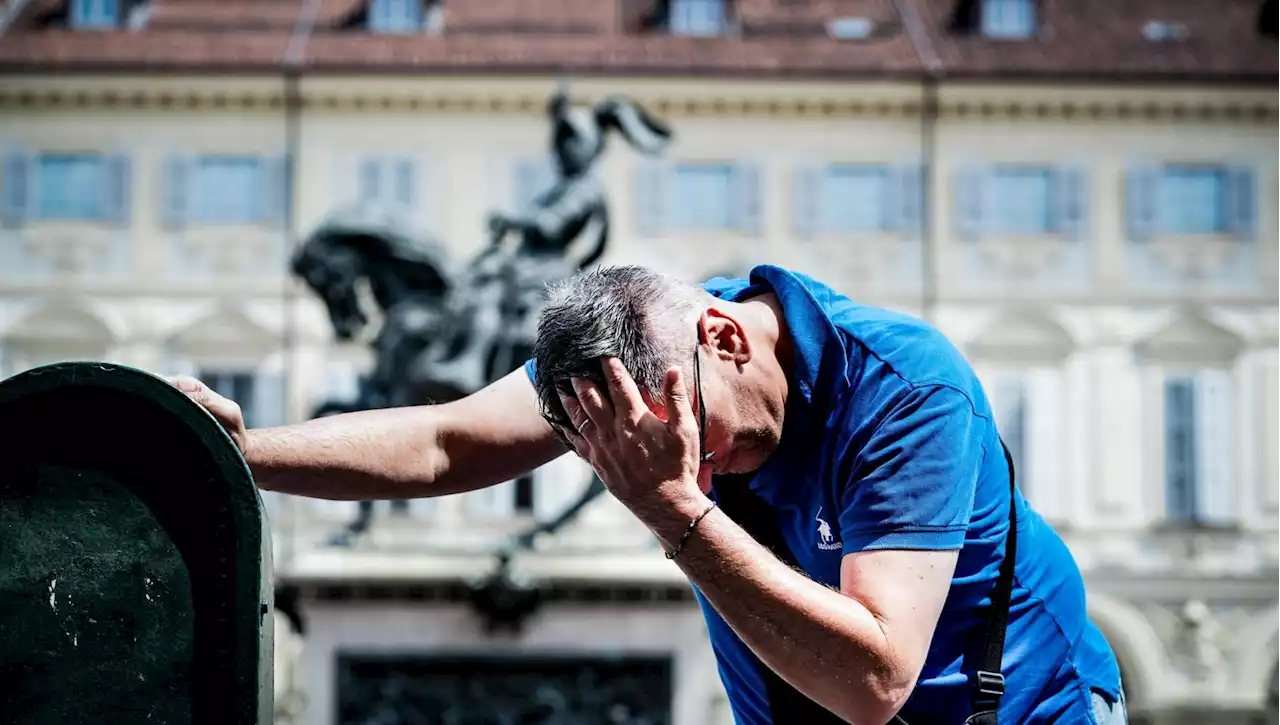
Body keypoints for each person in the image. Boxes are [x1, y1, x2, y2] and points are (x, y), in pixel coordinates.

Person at [171, 264, 1126, 725]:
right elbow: (442, 440)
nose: (693, 468)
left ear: (729, 338)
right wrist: (245, 450)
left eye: (692, 438)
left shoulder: (906, 389)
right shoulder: (634, 368)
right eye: (639, 457)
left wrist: (672, 507)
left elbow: (875, 677)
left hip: (1019, 708)